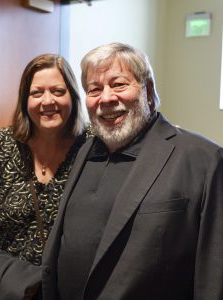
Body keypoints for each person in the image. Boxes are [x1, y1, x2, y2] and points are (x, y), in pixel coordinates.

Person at [40, 43, 223, 300]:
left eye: (118, 85)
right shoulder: (84, 151)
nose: (106, 98)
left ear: (147, 91)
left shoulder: (202, 159)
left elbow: (214, 271)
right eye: (94, 89)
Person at [0, 53, 90, 299]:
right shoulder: (0, 144)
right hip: (6, 287)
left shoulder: (93, 147)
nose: (47, 101)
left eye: (58, 91)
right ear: (24, 100)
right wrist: (3, 277)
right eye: (36, 93)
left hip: (72, 289)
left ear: (73, 96)